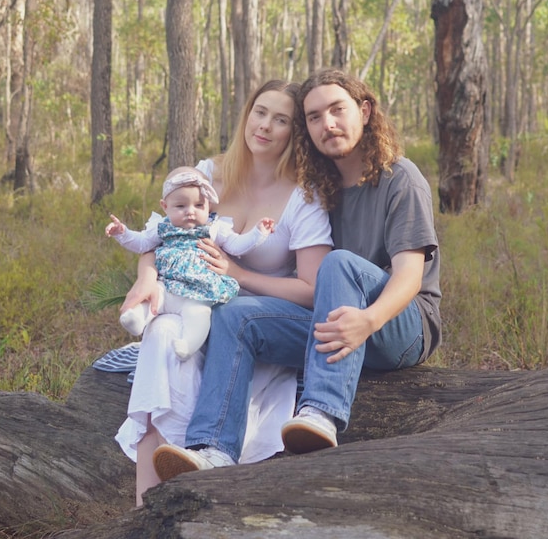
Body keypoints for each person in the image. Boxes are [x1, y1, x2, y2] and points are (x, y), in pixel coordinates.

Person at [152, 68, 441, 480]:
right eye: (314, 117)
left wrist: (368, 321)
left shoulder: (401, 178)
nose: (328, 124)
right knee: (238, 315)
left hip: (399, 324)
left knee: (337, 263)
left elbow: (410, 278)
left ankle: (320, 413)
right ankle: (213, 447)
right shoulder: (321, 188)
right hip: (337, 323)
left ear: (364, 110)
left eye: (337, 110)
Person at [114, 80, 333, 506]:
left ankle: (211, 487)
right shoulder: (209, 173)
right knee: (159, 336)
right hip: (196, 304)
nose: (265, 126)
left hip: (255, 321)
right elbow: (161, 234)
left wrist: (238, 274)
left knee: (219, 330)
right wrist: (145, 276)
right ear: (247, 114)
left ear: (295, 133)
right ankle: (145, 504)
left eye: (282, 119)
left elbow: (311, 291)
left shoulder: (303, 198)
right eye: (260, 112)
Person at [105, 166, 275, 359]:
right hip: (167, 285)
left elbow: (236, 245)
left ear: (208, 206)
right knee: (153, 301)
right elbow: (142, 243)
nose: (190, 212)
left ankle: (188, 345)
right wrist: (122, 233)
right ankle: (135, 320)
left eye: (199, 206)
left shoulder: (215, 228)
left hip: (199, 291)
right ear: (165, 206)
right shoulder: (161, 227)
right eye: (181, 206)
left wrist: (258, 233)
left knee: (199, 314)